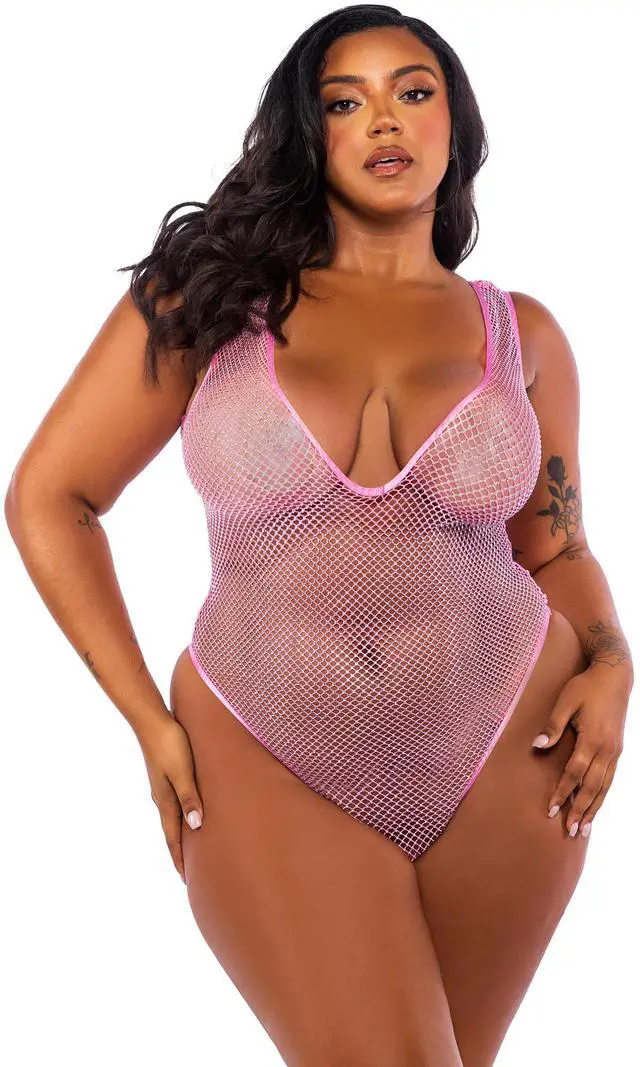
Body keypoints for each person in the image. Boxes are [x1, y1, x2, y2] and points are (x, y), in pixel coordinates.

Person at [5, 6, 634, 1066]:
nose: (384, 119)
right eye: (346, 101)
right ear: (311, 134)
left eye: (413, 91)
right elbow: (49, 496)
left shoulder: (519, 333)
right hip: (262, 745)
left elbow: (557, 548)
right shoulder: (211, 302)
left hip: (510, 751)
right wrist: (149, 722)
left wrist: (614, 664)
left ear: (455, 123)